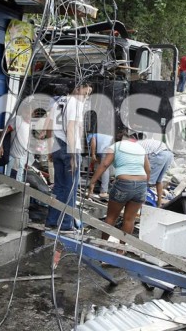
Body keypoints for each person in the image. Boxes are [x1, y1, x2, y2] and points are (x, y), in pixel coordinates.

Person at [87, 129, 149, 249]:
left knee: (111, 217)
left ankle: (102, 246)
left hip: (124, 184)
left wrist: (92, 182)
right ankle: (121, 250)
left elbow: (104, 165)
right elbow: (148, 170)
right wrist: (144, 186)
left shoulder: (115, 146)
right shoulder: (140, 148)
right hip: (141, 185)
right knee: (129, 220)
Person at [44, 82, 91, 232]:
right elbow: (71, 129)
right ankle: (66, 224)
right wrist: (72, 154)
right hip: (69, 148)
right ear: (77, 89)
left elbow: (49, 126)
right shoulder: (75, 104)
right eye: (85, 93)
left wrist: (51, 149)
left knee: (59, 187)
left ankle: (51, 220)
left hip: (57, 147)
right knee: (70, 189)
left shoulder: (58, 102)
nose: (86, 96)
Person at [137, 136, 173, 207]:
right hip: (168, 154)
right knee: (159, 180)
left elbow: (145, 164)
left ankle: (141, 205)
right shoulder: (142, 143)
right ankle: (159, 203)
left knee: (145, 180)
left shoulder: (135, 147)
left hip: (158, 154)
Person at [86, 131, 114, 200]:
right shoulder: (101, 135)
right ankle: (101, 187)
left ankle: (103, 191)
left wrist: (93, 154)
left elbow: (93, 141)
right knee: (102, 167)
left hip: (107, 147)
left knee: (104, 168)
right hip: (110, 145)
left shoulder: (91, 135)